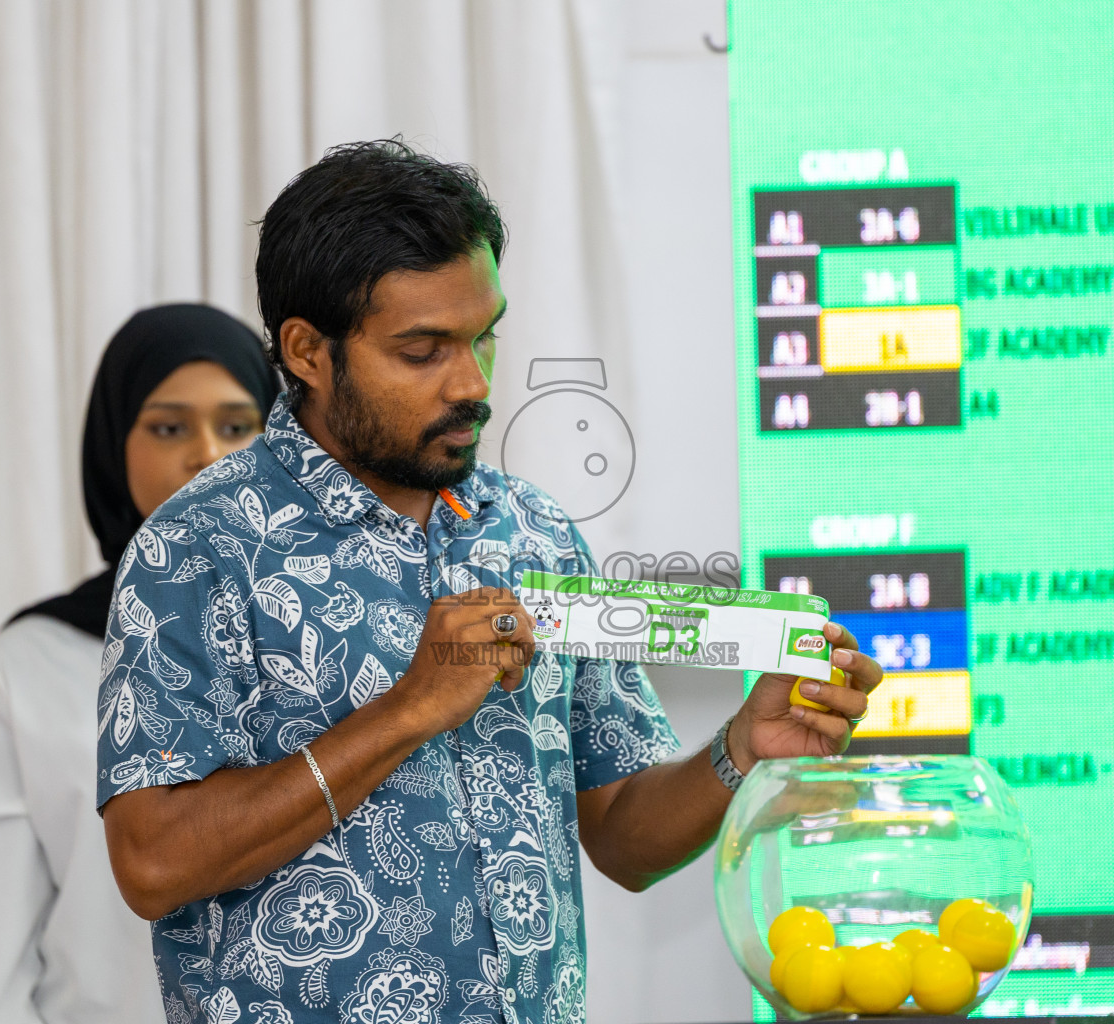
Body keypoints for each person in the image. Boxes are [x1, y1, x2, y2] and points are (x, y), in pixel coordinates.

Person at [96, 141, 883, 1024]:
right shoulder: (194, 549)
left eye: (485, 336)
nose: (473, 382)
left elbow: (623, 833)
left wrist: (741, 749)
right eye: (422, 350)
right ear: (308, 351)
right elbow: (152, 864)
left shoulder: (534, 529)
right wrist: (409, 709)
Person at [0, 304, 279, 1024]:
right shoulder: (31, 662)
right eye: (168, 428)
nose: (207, 455)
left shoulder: (329, 642)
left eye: (237, 426)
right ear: (113, 444)